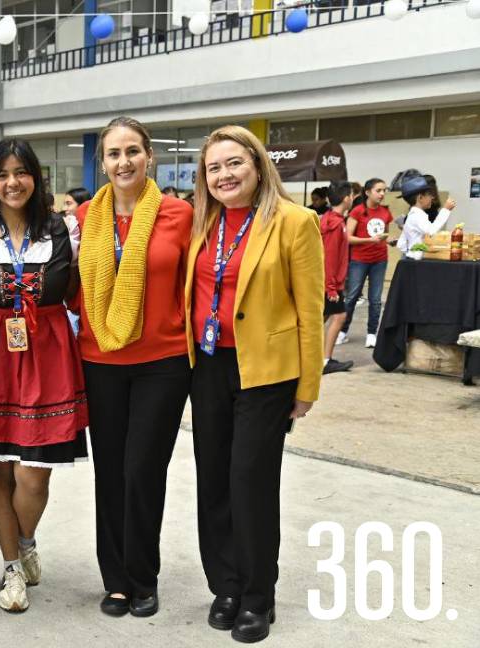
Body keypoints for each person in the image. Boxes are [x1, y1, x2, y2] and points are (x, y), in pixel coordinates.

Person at [185, 125, 323, 644]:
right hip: (208, 366)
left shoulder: (295, 222)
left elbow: (310, 309)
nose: (224, 175)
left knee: (251, 483)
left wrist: (307, 386)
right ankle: (225, 586)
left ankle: (258, 595)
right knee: (213, 481)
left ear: (258, 166)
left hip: (266, 371)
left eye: (234, 163)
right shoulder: (203, 222)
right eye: (214, 167)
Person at [0, 139, 88, 613]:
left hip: (47, 354)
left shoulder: (63, 229)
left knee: (34, 476)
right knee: (2, 468)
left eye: (21, 172)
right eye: (2, 174)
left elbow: (73, 291)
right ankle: (11, 566)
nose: (12, 182)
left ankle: (25, 539)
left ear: (36, 177)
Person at [74, 117, 193, 619]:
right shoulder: (85, 216)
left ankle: (143, 576)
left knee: (143, 470)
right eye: (114, 153)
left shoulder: (179, 214)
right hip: (99, 360)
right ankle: (116, 580)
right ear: (102, 163)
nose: (123, 162)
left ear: (149, 156)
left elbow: (194, 283)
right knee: (110, 472)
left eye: (132, 152)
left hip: (162, 362)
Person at [339, 178, 390, 348]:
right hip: (359, 260)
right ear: (368, 192)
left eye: (384, 190)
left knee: (375, 299)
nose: (382, 194)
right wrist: (369, 240)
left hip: (380, 259)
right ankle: (342, 331)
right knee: (351, 297)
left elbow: (384, 235)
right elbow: (348, 238)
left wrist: (390, 241)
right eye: (378, 190)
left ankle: (371, 333)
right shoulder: (357, 211)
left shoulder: (385, 212)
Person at [321, 181, 355, 375]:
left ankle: (313, 357)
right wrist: (331, 287)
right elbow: (330, 257)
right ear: (346, 198)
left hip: (329, 281)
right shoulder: (335, 225)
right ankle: (325, 361)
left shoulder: (331, 219)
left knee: (322, 317)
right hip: (330, 282)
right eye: (352, 195)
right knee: (340, 316)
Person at [397, 176, 456, 256]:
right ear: (420, 198)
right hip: (416, 259)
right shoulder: (417, 216)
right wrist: (446, 210)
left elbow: (401, 244)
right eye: (429, 195)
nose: (432, 197)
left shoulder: (413, 215)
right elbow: (431, 232)